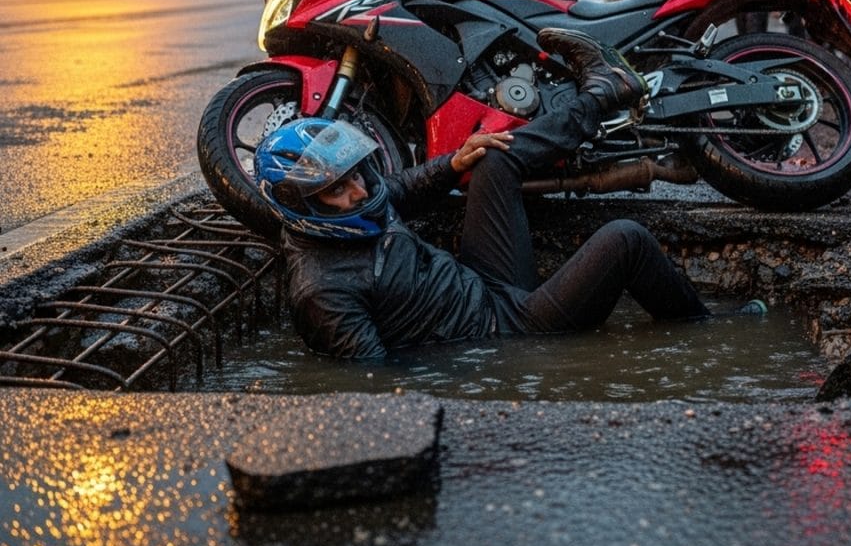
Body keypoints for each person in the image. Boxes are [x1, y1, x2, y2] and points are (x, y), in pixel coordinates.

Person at [255, 30, 749, 360]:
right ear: (303, 209)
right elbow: (375, 385)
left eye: (354, 175)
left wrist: (453, 161)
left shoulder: (356, 203)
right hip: (507, 333)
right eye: (337, 190)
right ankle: (705, 332)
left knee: (492, 156)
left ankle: (602, 91)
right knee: (626, 238)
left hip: (483, 285)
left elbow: (395, 190)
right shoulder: (322, 293)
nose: (358, 190)